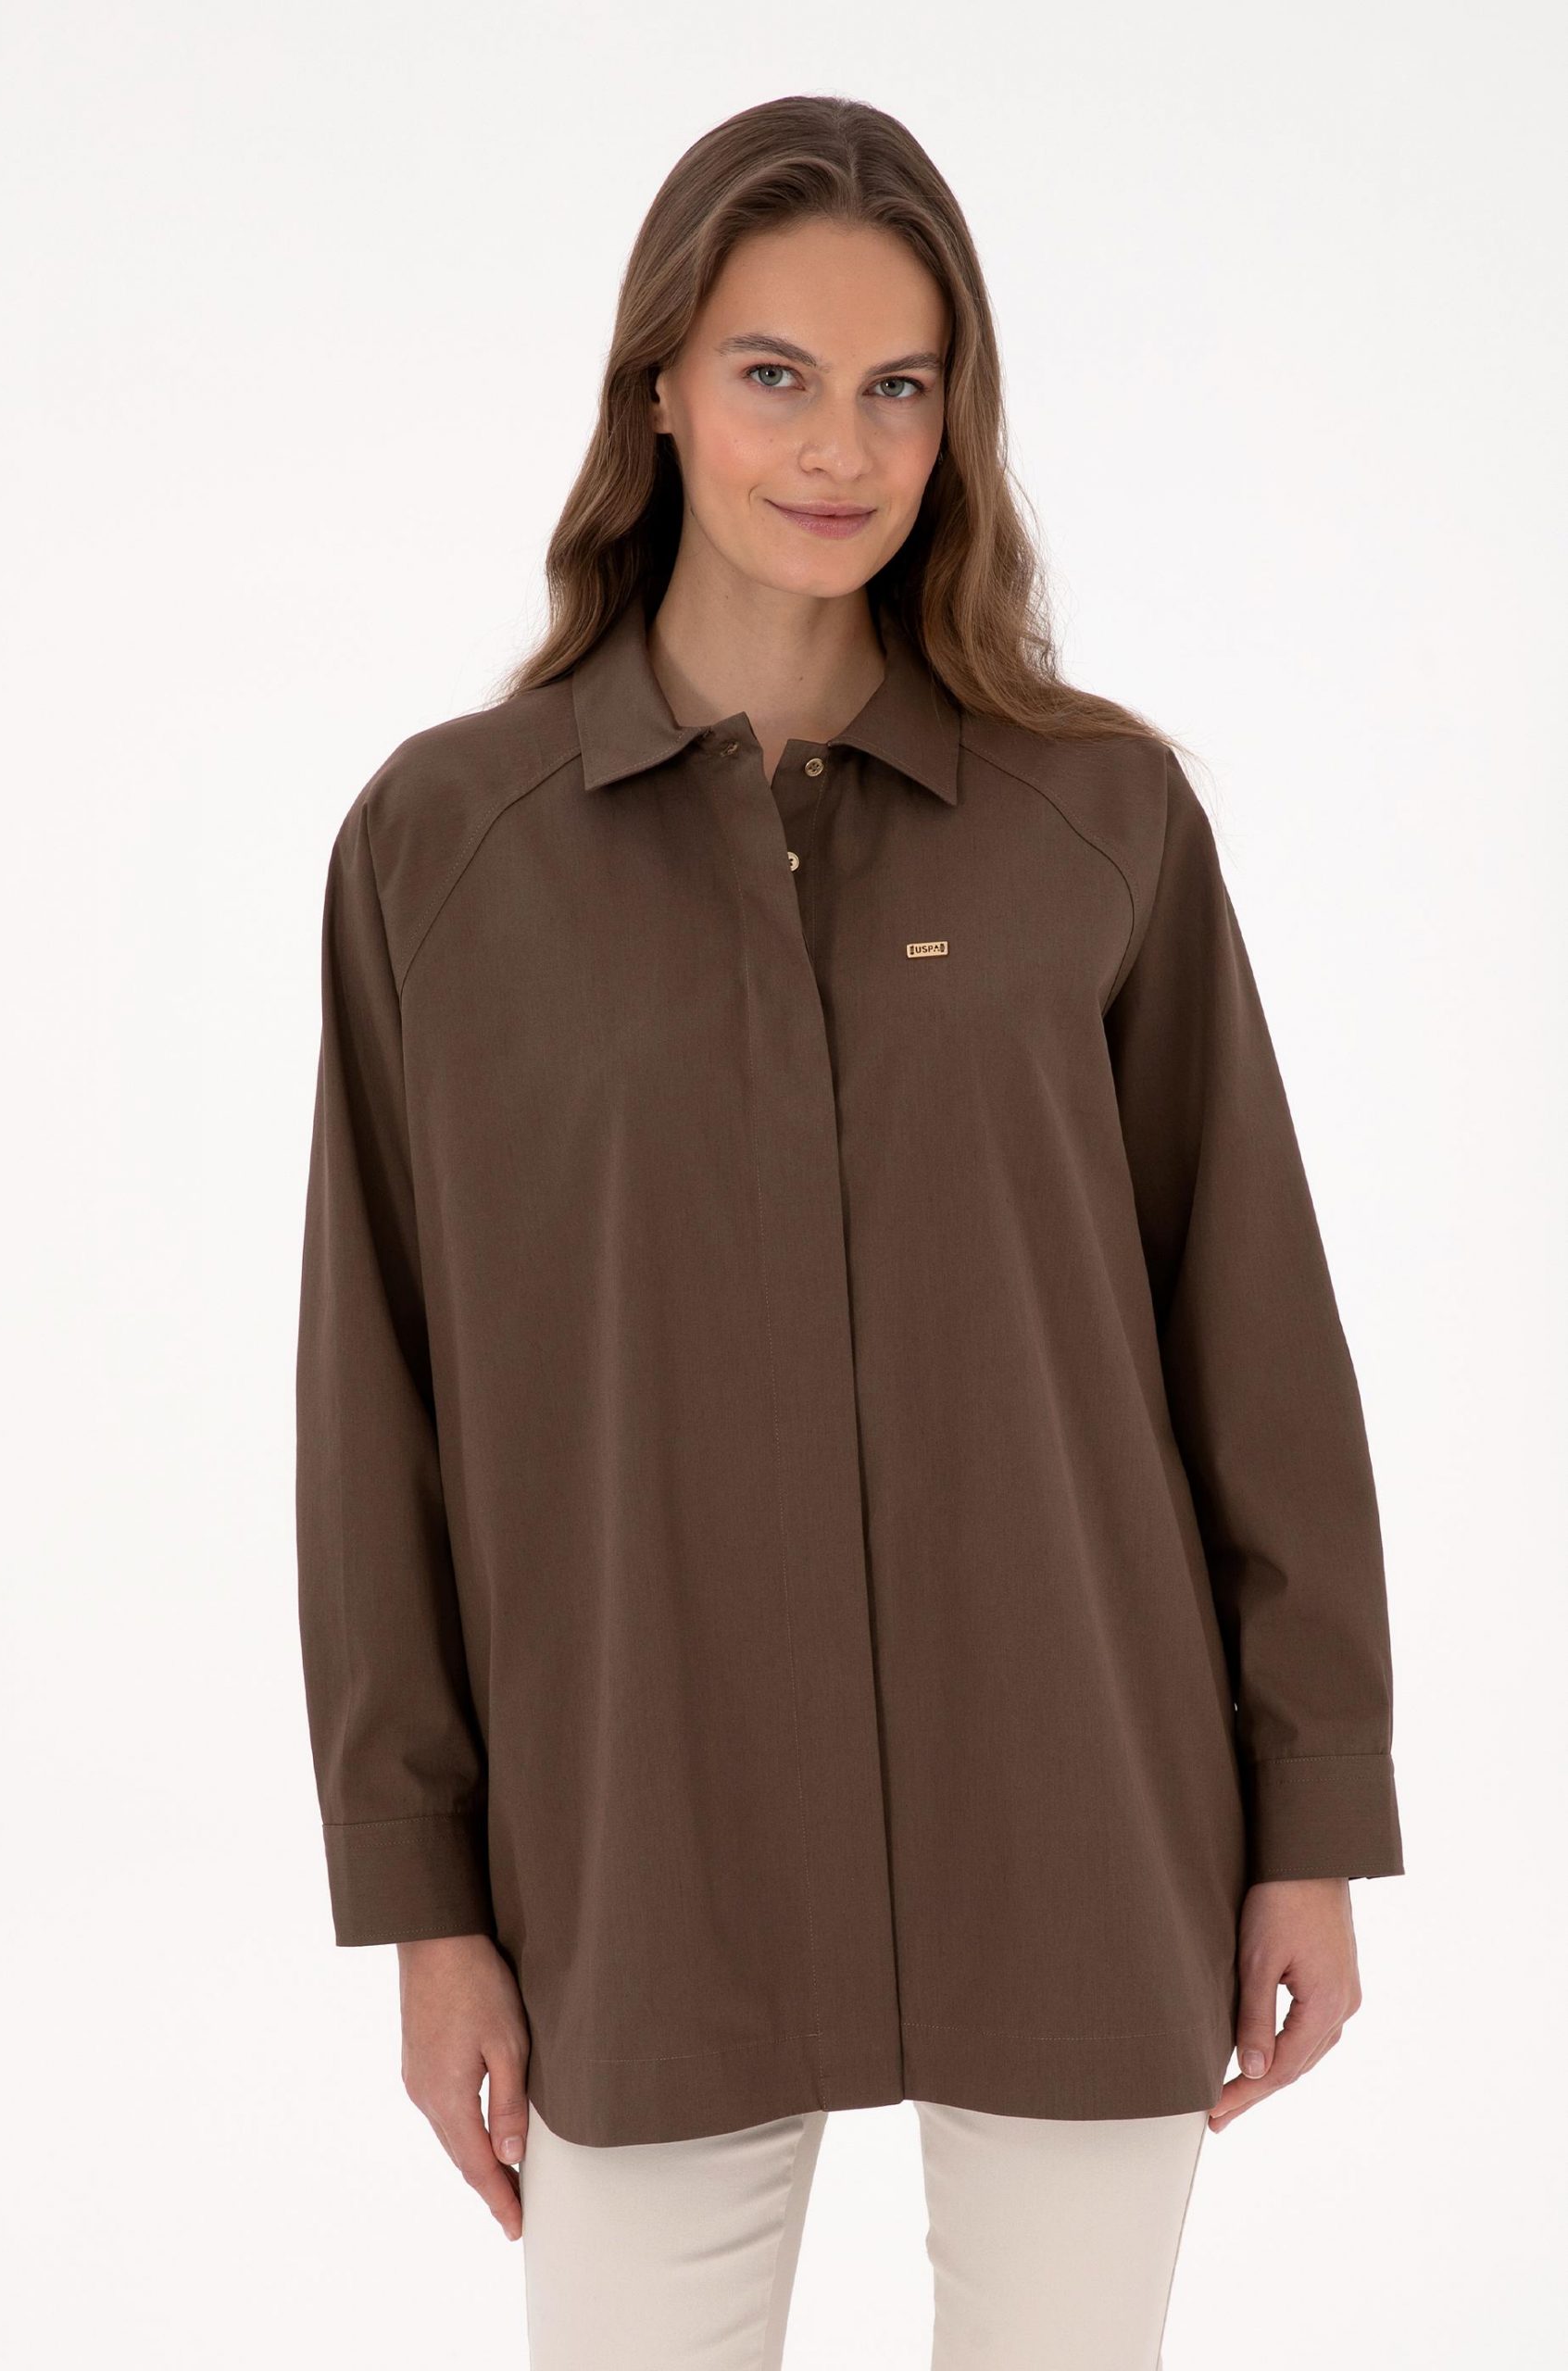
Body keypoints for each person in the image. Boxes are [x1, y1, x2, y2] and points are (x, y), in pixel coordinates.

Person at [295, 94, 1404, 2369]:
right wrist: (422, 1900)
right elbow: (373, 1408)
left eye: (900, 384)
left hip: (1079, 1796)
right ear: (657, 389)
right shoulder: (444, 846)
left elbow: (1250, 1336)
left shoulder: (1098, 817)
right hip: (638, 1838)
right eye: (773, 373)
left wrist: (1307, 1811)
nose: (840, 445)